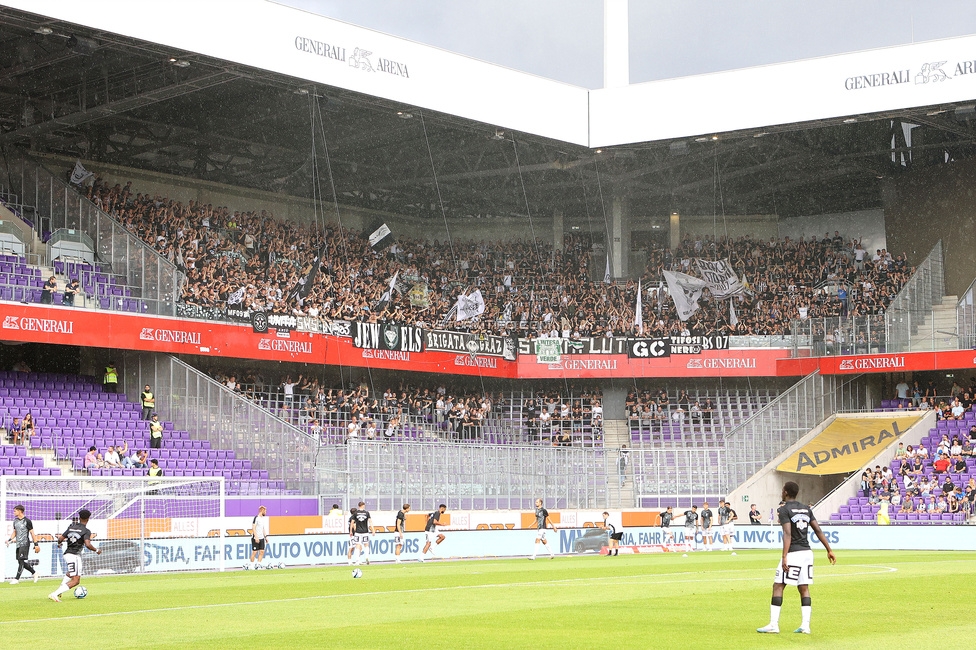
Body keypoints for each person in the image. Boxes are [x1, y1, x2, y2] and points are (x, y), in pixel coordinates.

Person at [757, 481, 836, 635]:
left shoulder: (784, 509)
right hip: (807, 552)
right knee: (804, 587)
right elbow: (818, 530)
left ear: (785, 492)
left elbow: (787, 533)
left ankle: (774, 624)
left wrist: (784, 556)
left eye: (782, 490)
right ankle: (805, 625)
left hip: (793, 552)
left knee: (778, 585)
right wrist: (829, 550)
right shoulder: (806, 509)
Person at [49, 508, 101, 602]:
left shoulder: (71, 527)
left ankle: (60, 590)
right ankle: (55, 594)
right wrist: (96, 550)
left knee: (71, 573)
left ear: (79, 517)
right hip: (74, 555)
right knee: (76, 580)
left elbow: (60, 538)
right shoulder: (86, 531)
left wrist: (59, 544)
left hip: (67, 554)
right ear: (88, 518)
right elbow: (88, 544)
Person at [6, 505, 40, 584]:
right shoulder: (15, 521)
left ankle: (16, 579)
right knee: (20, 561)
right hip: (18, 544)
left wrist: (36, 544)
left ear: (20, 511)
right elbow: (15, 532)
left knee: (21, 560)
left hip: (25, 543)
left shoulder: (27, 521)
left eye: (15, 511)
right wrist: (9, 540)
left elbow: (32, 533)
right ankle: (34, 573)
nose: (14, 512)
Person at [349, 501, 373, 565]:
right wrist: (373, 530)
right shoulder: (367, 513)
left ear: (358, 506)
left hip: (358, 532)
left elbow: (352, 523)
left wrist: (351, 531)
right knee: (366, 545)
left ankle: (357, 560)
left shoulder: (355, 513)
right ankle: (367, 557)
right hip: (365, 532)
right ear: (363, 505)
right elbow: (370, 522)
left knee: (357, 545)